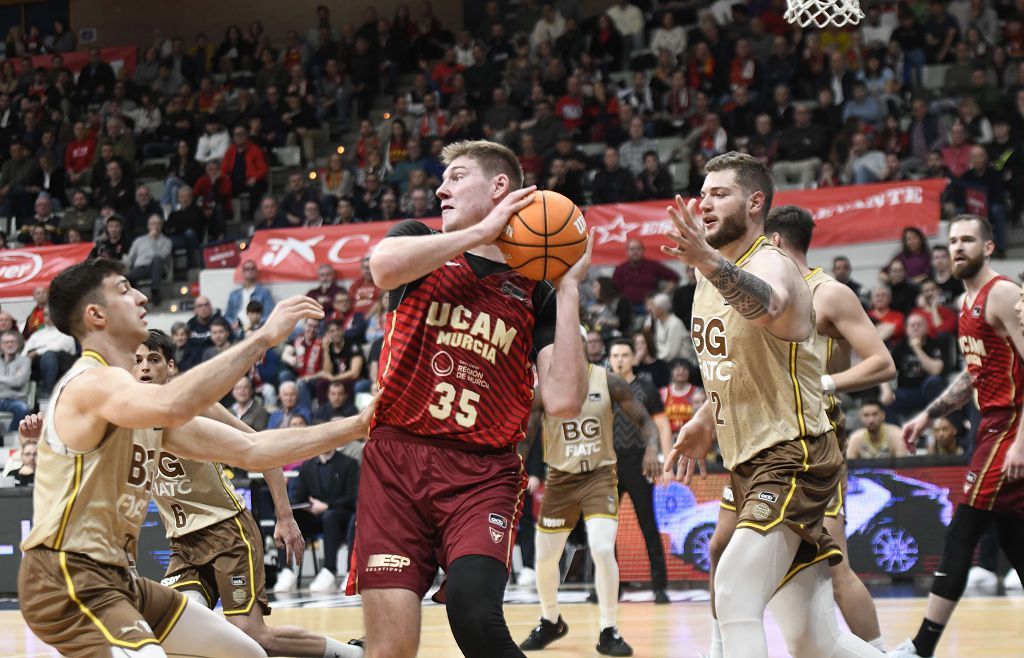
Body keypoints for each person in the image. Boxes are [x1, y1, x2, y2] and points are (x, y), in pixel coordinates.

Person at [18, 257, 371, 657]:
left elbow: (253, 450)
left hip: (120, 578)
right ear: (96, 315)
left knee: (249, 650)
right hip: (66, 575)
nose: (141, 296)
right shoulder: (90, 382)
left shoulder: (143, 406)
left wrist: (358, 425)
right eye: (123, 289)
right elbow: (174, 403)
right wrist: (261, 338)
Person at [353, 139, 591, 658]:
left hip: (483, 472)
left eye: (457, 176)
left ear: (499, 186)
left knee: (473, 612)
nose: (441, 187)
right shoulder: (418, 242)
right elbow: (383, 268)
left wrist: (569, 288)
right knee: (390, 648)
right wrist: (480, 233)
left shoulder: (536, 293)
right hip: (397, 463)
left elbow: (566, 400)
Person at [662, 152, 885, 658]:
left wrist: (706, 260)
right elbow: (734, 363)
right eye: (703, 193)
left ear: (756, 201)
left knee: (736, 586)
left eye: (720, 193)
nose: (705, 202)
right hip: (748, 460)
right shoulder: (707, 275)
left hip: (794, 454)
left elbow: (772, 306)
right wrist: (702, 417)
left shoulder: (770, 261)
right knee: (815, 640)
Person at [135, 329, 363, 656]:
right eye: (137, 361)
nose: (144, 368)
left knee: (253, 635)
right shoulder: (125, 416)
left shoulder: (197, 407)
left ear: (170, 367)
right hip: (183, 545)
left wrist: (285, 517)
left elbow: (263, 452)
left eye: (153, 360)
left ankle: (352, 654)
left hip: (227, 533)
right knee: (172, 630)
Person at [892, 215, 1024, 658]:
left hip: (1008, 425)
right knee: (1012, 535)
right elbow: (971, 377)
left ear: (988, 247)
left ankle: (921, 647)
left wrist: (1022, 440)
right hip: (990, 425)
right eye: (952, 241)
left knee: (962, 531)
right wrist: (927, 416)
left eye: (968, 240)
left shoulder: (1002, 294)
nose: (958, 247)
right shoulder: (965, 303)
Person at [518, 340, 660, 656]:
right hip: (560, 478)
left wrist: (652, 448)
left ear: (584, 352)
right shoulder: (545, 388)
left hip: (599, 475)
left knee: (601, 547)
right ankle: (550, 619)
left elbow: (646, 421)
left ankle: (609, 629)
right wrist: (516, 466)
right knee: (544, 557)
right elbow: (526, 436)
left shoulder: (608, 380)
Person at [607, 338, 672, 603]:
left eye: (624, 355)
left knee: (648, 524)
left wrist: (666, 462)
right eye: (615, 355)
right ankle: (610, 587)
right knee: (604, 529)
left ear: (634, 358)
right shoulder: (601, 386)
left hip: (639, 462)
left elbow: (663, 426)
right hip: (607, 463)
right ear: (609, 360)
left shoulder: (646, 387)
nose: (620, 359)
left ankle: (659, 586)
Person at [288, 447, 360, 593]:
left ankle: (330, 569)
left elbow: (353, 497)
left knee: (330, 516)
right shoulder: (307, 466)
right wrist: (303, 506)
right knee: (288, 519)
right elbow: (298, 496)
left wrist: (327, 506)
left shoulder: (349, 463)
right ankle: (286, 571)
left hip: (342, 515)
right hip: (314, 515)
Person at [611, 239, 680, 311]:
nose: (635, 252)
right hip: (627, 308)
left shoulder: (653, 266)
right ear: (627, 252)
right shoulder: (620, 269)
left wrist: (663, 294)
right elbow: (614, 289)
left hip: (649, 308)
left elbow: (674, 278)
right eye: (632, 249)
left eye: (638, 249)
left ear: (643, 250)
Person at [126, 214, 173, 305]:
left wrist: (152, 240)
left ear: (161, 226)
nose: (155, 226)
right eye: (153, 224)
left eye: (158, 224)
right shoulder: (139, 240)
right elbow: (130, 258)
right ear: (148, 226)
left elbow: (162, 256)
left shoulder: (166, 241)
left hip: (157, 268)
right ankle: (132, 298)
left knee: (157, 259)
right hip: (140, 269)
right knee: (125, 276)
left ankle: (155, 291)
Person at [225, 260, 276, 334]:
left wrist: (255, 324)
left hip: (256, 328)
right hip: (236, 330)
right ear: (242, 272)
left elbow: (270, 315)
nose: (250, 271)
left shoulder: (264, 293)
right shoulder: (234, 294)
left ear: (256, 272)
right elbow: (228, 316)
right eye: (247, 269)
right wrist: (232, 325)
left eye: (253, 268)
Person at [662, 358, 705, 436]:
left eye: (685, 369)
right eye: (678, 369)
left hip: (691, 436)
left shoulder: (697, 392)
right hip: (669, 437)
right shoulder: (663, 392)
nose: (681, 372)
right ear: (671, 372)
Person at [0, 329, 30, 431]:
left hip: (15, 399)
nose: (10, 345)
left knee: (22, 408)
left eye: (13, 342)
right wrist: (11, 380)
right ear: (1, 345)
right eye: (6, 342)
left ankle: (10, 437)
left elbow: (18, 382)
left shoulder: (25, 361)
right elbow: (14, 381)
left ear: (18, 344)